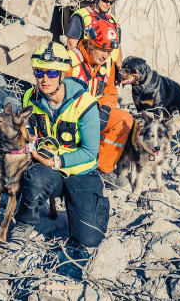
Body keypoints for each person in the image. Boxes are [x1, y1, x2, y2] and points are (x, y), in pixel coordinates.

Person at [13, 42, 109, 248]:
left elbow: (90, 152)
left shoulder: (84, 103)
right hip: (48, 173)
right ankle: (23, 223)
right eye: (39, 72)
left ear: (63, 73)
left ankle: (85, 210)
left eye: (52, 72)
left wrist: (56, 161)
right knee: (35, 176)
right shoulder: (30, 98)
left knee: (88, 240)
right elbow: (30, 134)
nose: (44, 78)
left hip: (80, 173)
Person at [67, 19, 134, 173]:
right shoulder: (70, 61)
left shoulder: (108, 64)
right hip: (71, 118)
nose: (106, 55)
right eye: (102, 49)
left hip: (94, 114)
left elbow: (110, 92)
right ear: (90, 44)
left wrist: (104, 110)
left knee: (124, 119)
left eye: (109, 51)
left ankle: (102, 169)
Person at [66, 0, 123, 71]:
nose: (108, 4)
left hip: (109, 69)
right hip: (87, 66)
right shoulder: (81, 15)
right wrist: (78, 68)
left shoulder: (114, 21)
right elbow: (71, 44)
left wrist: (119, 68)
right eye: (104, 0)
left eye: (111, 2)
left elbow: (118, 47)